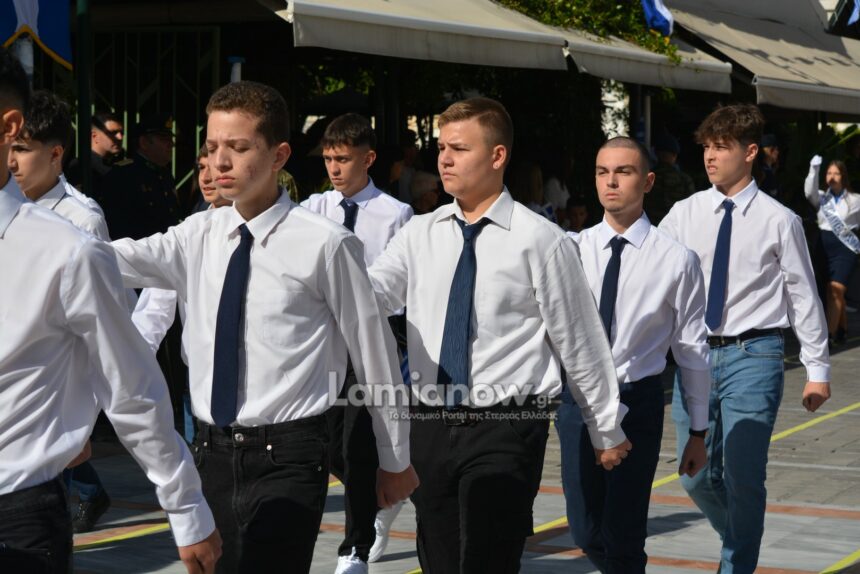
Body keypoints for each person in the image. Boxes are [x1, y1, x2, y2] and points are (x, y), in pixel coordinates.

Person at [110, 81, 418, 574]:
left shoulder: (325, 244)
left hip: (290, 454)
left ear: (279, 155)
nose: (220, 162)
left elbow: (373, 353)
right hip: (210, 452)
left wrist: (394, 458)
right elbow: (113, 260)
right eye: (212, 146)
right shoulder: (197, 234)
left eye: (238, 147)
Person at [368, 97, 631, 574]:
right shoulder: (419, 234)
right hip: (428, 423)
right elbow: (373, 296)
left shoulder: (540, 239)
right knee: (440, 559)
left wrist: (605, 427)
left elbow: (579, 338)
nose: (444, 159)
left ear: (497, 156)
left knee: (488, 557)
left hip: (507, 424)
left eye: (459, 149)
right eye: (442, 148)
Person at [0, 45, 221, 574]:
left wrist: (185, 506)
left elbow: (129, 382)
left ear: (9, 127)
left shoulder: (69, 247)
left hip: (17, 511)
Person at [659, 103, 831, 573]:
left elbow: (803, 295)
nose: (710, 157)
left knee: (743, 475)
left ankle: (736, 562)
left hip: (755, 353)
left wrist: (817, 369)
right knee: (695, 478)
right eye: (706, 147)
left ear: (750, 152)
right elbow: (653, 276)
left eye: (721, 147)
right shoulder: (684, 213)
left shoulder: (779, 220)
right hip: (696, 358)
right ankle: (739, 537)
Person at [556, 137, 710, 573]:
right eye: (602, 172)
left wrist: (698, 431)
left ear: (648, 181)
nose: (611, 182)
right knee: (584, 528)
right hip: (578, 401)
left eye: (623, 172)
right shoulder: (571, 249)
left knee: (623, 532)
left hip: (636, 401)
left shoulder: (676, 260)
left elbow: (691, 349)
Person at [299, 113, 413, 573]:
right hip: (320, 342)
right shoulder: (311, 208)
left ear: (368, 159)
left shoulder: (395, 213)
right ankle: (389, 491)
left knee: (357, 445)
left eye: (343, 159)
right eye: (328, 159)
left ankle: (354, 549)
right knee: (328, 447)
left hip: (367, 343)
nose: (334, 168)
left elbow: (399, 286)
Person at [7, 89, 118, 534]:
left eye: (22, 149)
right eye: (9, 147)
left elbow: (101, 333)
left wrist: (84, 423)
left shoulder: (81, 220)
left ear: (55, 154)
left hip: (50, 407)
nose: (12, 161)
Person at [132, 145, 231, 444]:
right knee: (201, 459)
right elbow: (154, 311)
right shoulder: (188, 233)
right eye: (201, 168)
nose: (206, 178)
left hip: (258, 384)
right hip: (200, 378)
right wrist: (130, 365)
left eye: (216, 168)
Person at [804, 155, 860, 345]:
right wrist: (814, 168)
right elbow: (808, 191)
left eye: (836, 173)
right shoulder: (821, 197)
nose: (832, 177)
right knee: (831, 292)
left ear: (843, 176)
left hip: (846, 248)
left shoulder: (855, 200)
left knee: (836, 289)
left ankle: (827, 336)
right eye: (829, 173)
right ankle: (842, 329)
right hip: (824, 247)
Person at [101, 112, 180, 239]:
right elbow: (118, 226)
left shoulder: (165, 173)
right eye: (164, 139)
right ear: (144, 142)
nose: (171, 144)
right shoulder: (124, 175)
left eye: (170, 139)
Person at [65, 111, 124, 204]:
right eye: (113, 133)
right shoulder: (80, 166)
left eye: (121, 132)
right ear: (94, 136)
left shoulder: (119, 164)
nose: (120, 137)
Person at [647, 132, 695, 223]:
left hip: (650, 224)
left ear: (656, 153)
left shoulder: (647, 178)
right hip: (676, 225)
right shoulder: (684, 179)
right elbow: (691, 207)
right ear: (674, 155)